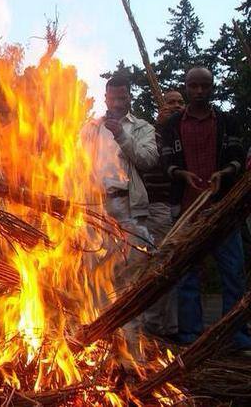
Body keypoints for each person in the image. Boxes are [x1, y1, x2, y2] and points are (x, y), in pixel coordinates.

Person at [161, 67, 251, 351]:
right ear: (186, 87)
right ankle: (191, 336)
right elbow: (165, 162)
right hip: (188, 210)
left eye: (205, 85)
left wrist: (223, 173)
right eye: (193, 85)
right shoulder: (172, 124)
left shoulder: (228, 122)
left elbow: (238, 156)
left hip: (222, 210)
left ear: (212, 87)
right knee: (187, 273)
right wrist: (181, 174)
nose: (199, 90)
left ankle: (235, 335)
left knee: (233, 272)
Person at [81, 75, 158, 358]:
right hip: (95, 208)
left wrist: (122, 136)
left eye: (123, 98)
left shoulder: (141, 128)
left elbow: (149, 159)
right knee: (97, 276)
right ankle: (103, 350)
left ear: (130, 98)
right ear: (105, 98)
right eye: (112, 98)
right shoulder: (90, 128)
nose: (117, 103)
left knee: (130, 280)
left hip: (128, 207)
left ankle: (133, 351)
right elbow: (75, 164)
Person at [141, 90, 185, 339]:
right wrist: (161, 125)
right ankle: (156, 325)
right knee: (155, 265)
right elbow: (148, 161)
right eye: (170, 102)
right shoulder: (154, 133)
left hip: (181, 205)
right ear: (161, 108)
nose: (176, 106)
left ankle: (170, 326)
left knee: (171, 265)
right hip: (156, 206)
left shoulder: (186, 132)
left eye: (180, 102)